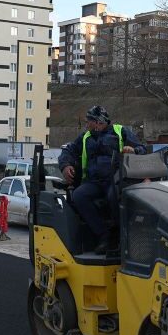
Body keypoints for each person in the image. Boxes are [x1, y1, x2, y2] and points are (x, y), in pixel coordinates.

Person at [59, 105, 146, 252]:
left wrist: (134, 150)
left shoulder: (120, 131)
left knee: (114, 195)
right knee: (79, 196)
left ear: (98, 121)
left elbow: (142, 148)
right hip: (94, 182)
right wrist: (65, 165)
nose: (87, 124)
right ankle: (103, 235)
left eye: (89, 121)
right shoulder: (85, 137)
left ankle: (121, 236)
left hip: (115, 179)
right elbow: (68, 150)